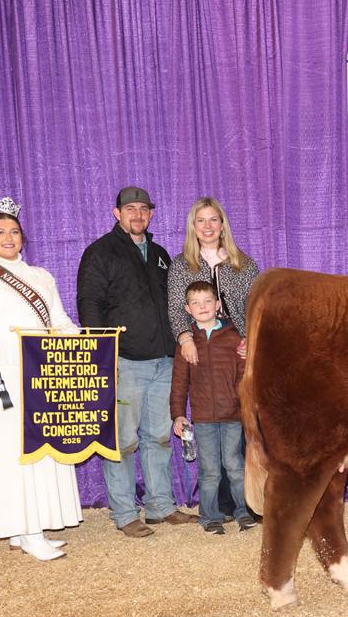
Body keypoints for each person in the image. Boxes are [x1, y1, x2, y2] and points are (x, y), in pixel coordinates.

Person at [0, 197, 82, 561]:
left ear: (22, 237)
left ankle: (28, 527)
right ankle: (26, 530)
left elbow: (58, 319)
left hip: (41, 372)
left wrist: (81, 342)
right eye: (0, 232)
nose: (8, 238)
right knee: (8, 451)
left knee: (40, 447)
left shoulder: (42, 276)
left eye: (14, 231)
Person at [77, 186, 198, 537]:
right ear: (117, 213)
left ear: (151, 214)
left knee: (159, 436)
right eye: (130, 209)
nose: (137, 215)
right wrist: (104, 353)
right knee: (122, 440)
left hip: (163, 359)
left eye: (143, 209)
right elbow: (89, 303)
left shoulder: (160, 255)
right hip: (125, 360)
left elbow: (173, 304)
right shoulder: (100, 252)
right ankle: (125, 512)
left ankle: (160, 506)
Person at [169, 281, 256, 534]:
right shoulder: (186, 343)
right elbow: (179, 383)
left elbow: (244, 378)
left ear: (217, 304)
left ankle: (243, 512)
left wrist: (246, 408)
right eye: (195, 303)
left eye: (208, 301)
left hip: (233, 416)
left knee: (235, 466)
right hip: (203, 418)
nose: (202, 306)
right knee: (209, 471)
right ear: (187, 309)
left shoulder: (234, 338)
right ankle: (209, 516)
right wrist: (178, 415)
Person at [166, 197, 260, 365]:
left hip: (238, 347)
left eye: (213, 220)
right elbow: (176, 309)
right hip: (198, 346)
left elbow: (255, 308)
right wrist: (185, 340)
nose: (207, 226)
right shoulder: (181, 265)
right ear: (193, 227)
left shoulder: (245, 265)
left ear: (222, 225)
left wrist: (250, 339)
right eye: (201, 220)